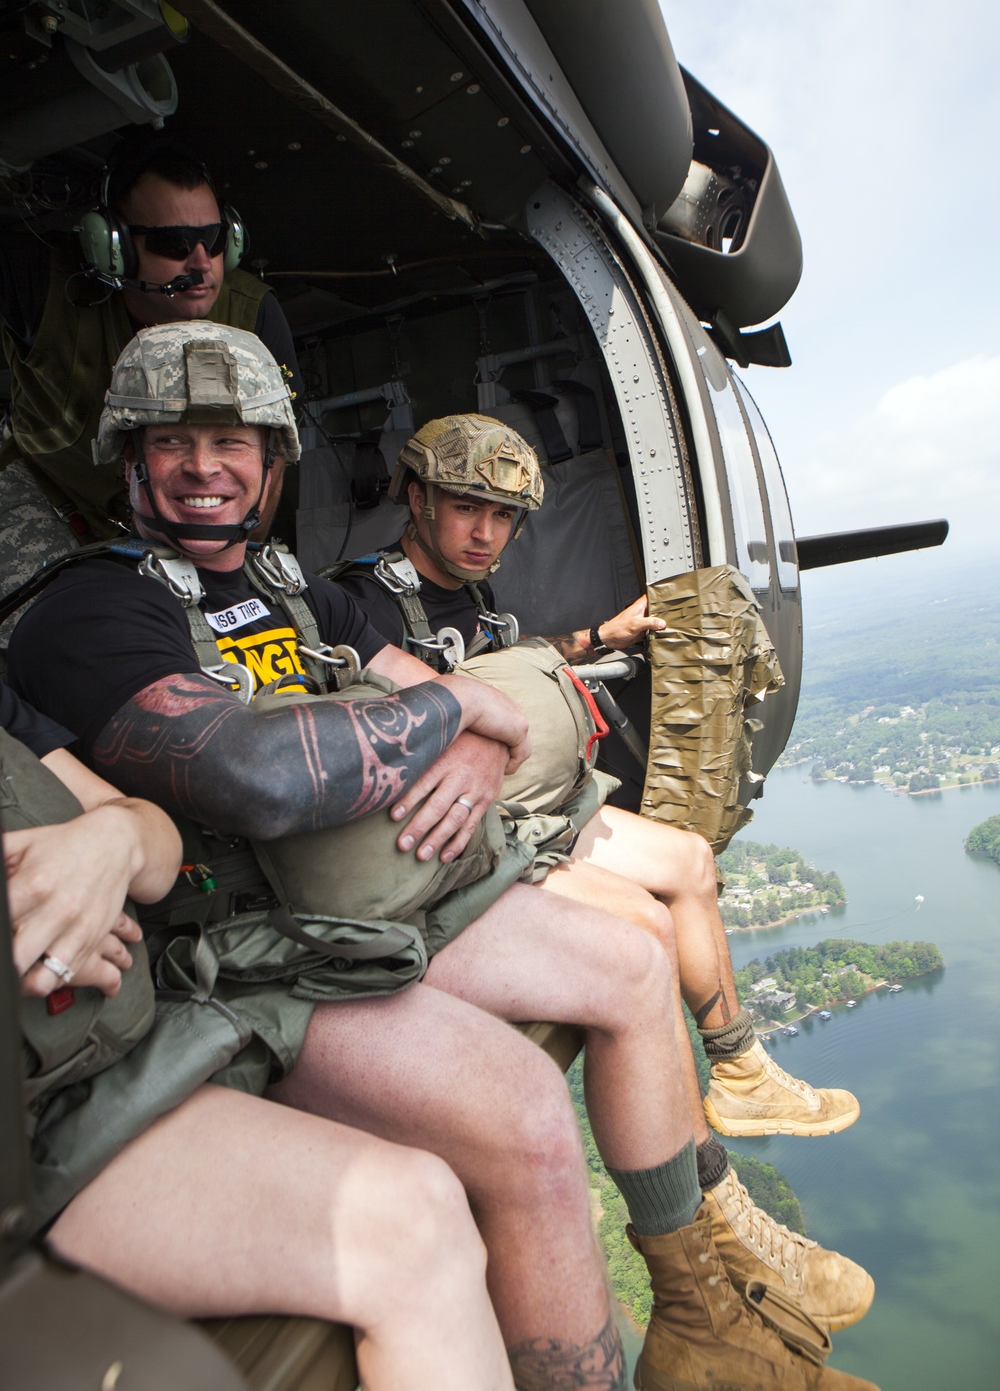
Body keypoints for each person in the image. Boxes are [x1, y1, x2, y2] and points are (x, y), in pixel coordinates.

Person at [8, 323, 878, 1391]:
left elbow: (444, 694)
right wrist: (455, 709)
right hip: (253, 945)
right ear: (130, 459)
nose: (204, 468)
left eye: (231, 441)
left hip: (370, 886)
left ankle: (701, 1301)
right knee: (522, 1113)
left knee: (636, 962)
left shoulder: (291, 590)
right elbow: (253, 773)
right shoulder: (95, 609)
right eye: (173, 442)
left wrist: (466, 733)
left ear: (272, 460)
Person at [3, 675, 516, 1391]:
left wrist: (108, 842)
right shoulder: (89, 614)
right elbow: (259, 776)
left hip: (78, 1088)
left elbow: (150, 841)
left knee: (419, 1214)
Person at [0, 132, 303, 621]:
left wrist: (234, 569)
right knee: (44, 634)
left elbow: (272, 454)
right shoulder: (42, 284)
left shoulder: (253, 317)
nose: (202, 263)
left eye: (215, 239)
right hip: (51, 497)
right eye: (174, 244)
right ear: (112, 248)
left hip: (179, 511)